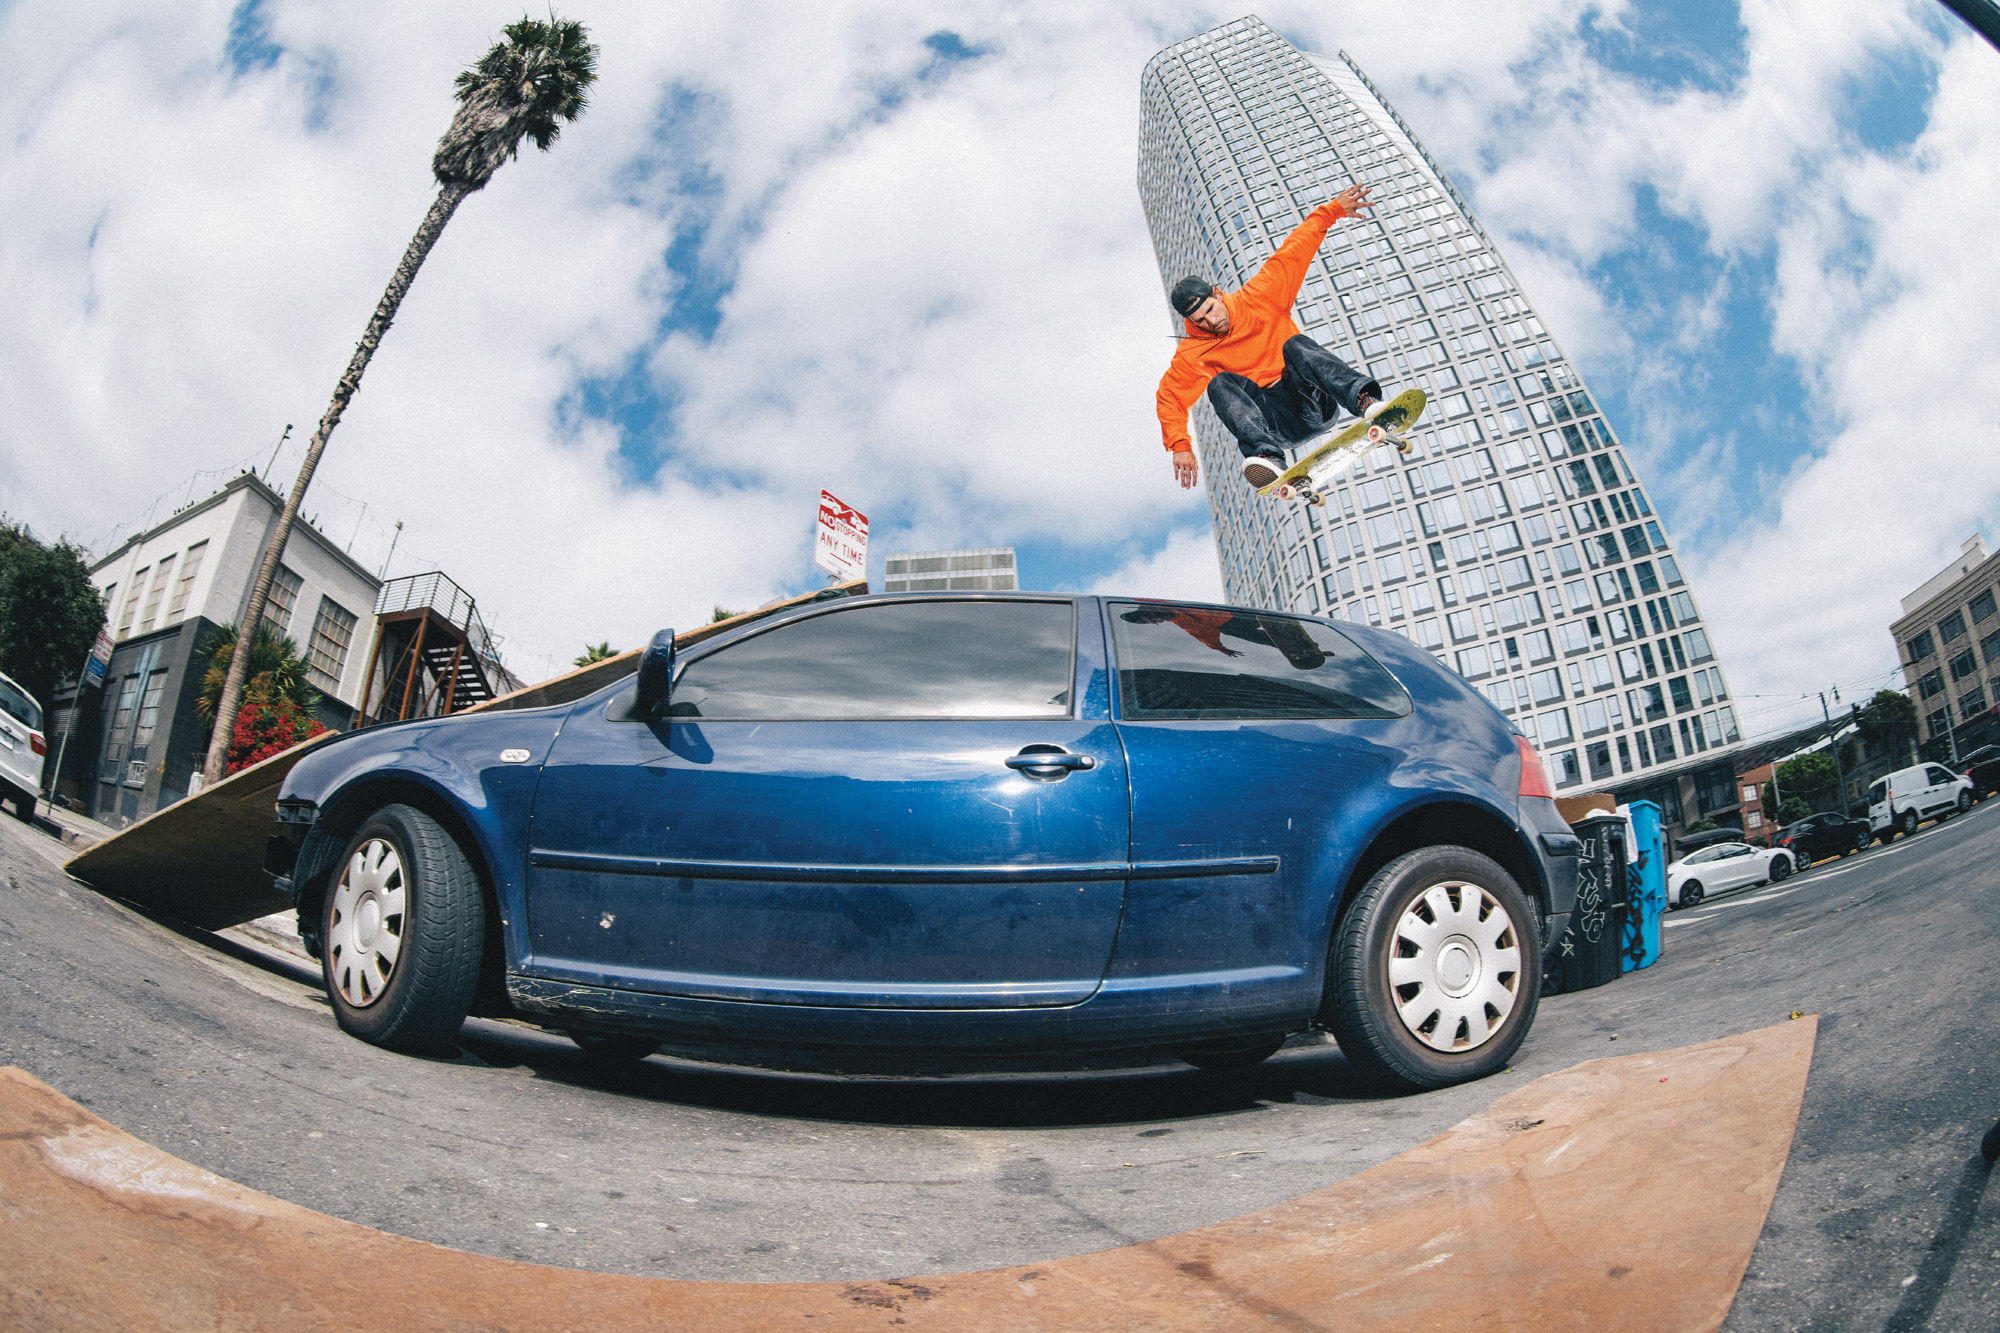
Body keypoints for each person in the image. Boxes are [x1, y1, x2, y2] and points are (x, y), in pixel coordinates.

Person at [1155, 182, 1389, 492]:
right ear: (1190, 322)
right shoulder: (1193, 351)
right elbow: (1170, 397)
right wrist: (1180, 445)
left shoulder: (1260, 296)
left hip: (1313, 403)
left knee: (1295, 345)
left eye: (1211, 309)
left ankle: (1365, 401)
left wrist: (1333, 211)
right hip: (1274, 426)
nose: (1212, 322)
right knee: (1219, 384)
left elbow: (1294, 250)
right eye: (1201, 321)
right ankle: (1266, 457)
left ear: (1217, 294)